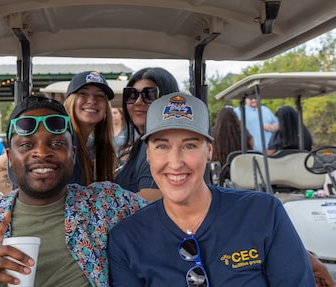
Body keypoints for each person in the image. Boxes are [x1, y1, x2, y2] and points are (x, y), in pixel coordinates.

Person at [0, 96, 146, 287]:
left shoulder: (106, 205)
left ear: (73, 154)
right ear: (10, 158)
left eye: (57, 143)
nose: (42, 153)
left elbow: (172, 214)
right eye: (26, 145)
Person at [107, 92, 317, 286]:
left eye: (189, 145)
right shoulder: (126, 240)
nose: (176, 162)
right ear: (148, 155)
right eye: (162, 146)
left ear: (208, 151)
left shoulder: (263, 212)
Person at [0, 71, 116, 193]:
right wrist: (23, 198)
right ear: (71, 101)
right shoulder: (55, 135)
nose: (92, 101)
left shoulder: (94, 145)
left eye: (99, 96)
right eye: (83, 94)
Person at [114, 67, 179, 200]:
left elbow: (150, 199)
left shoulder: (159, 143)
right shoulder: (143, 142)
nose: (138, 102)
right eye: (132, 95)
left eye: (149, 94)